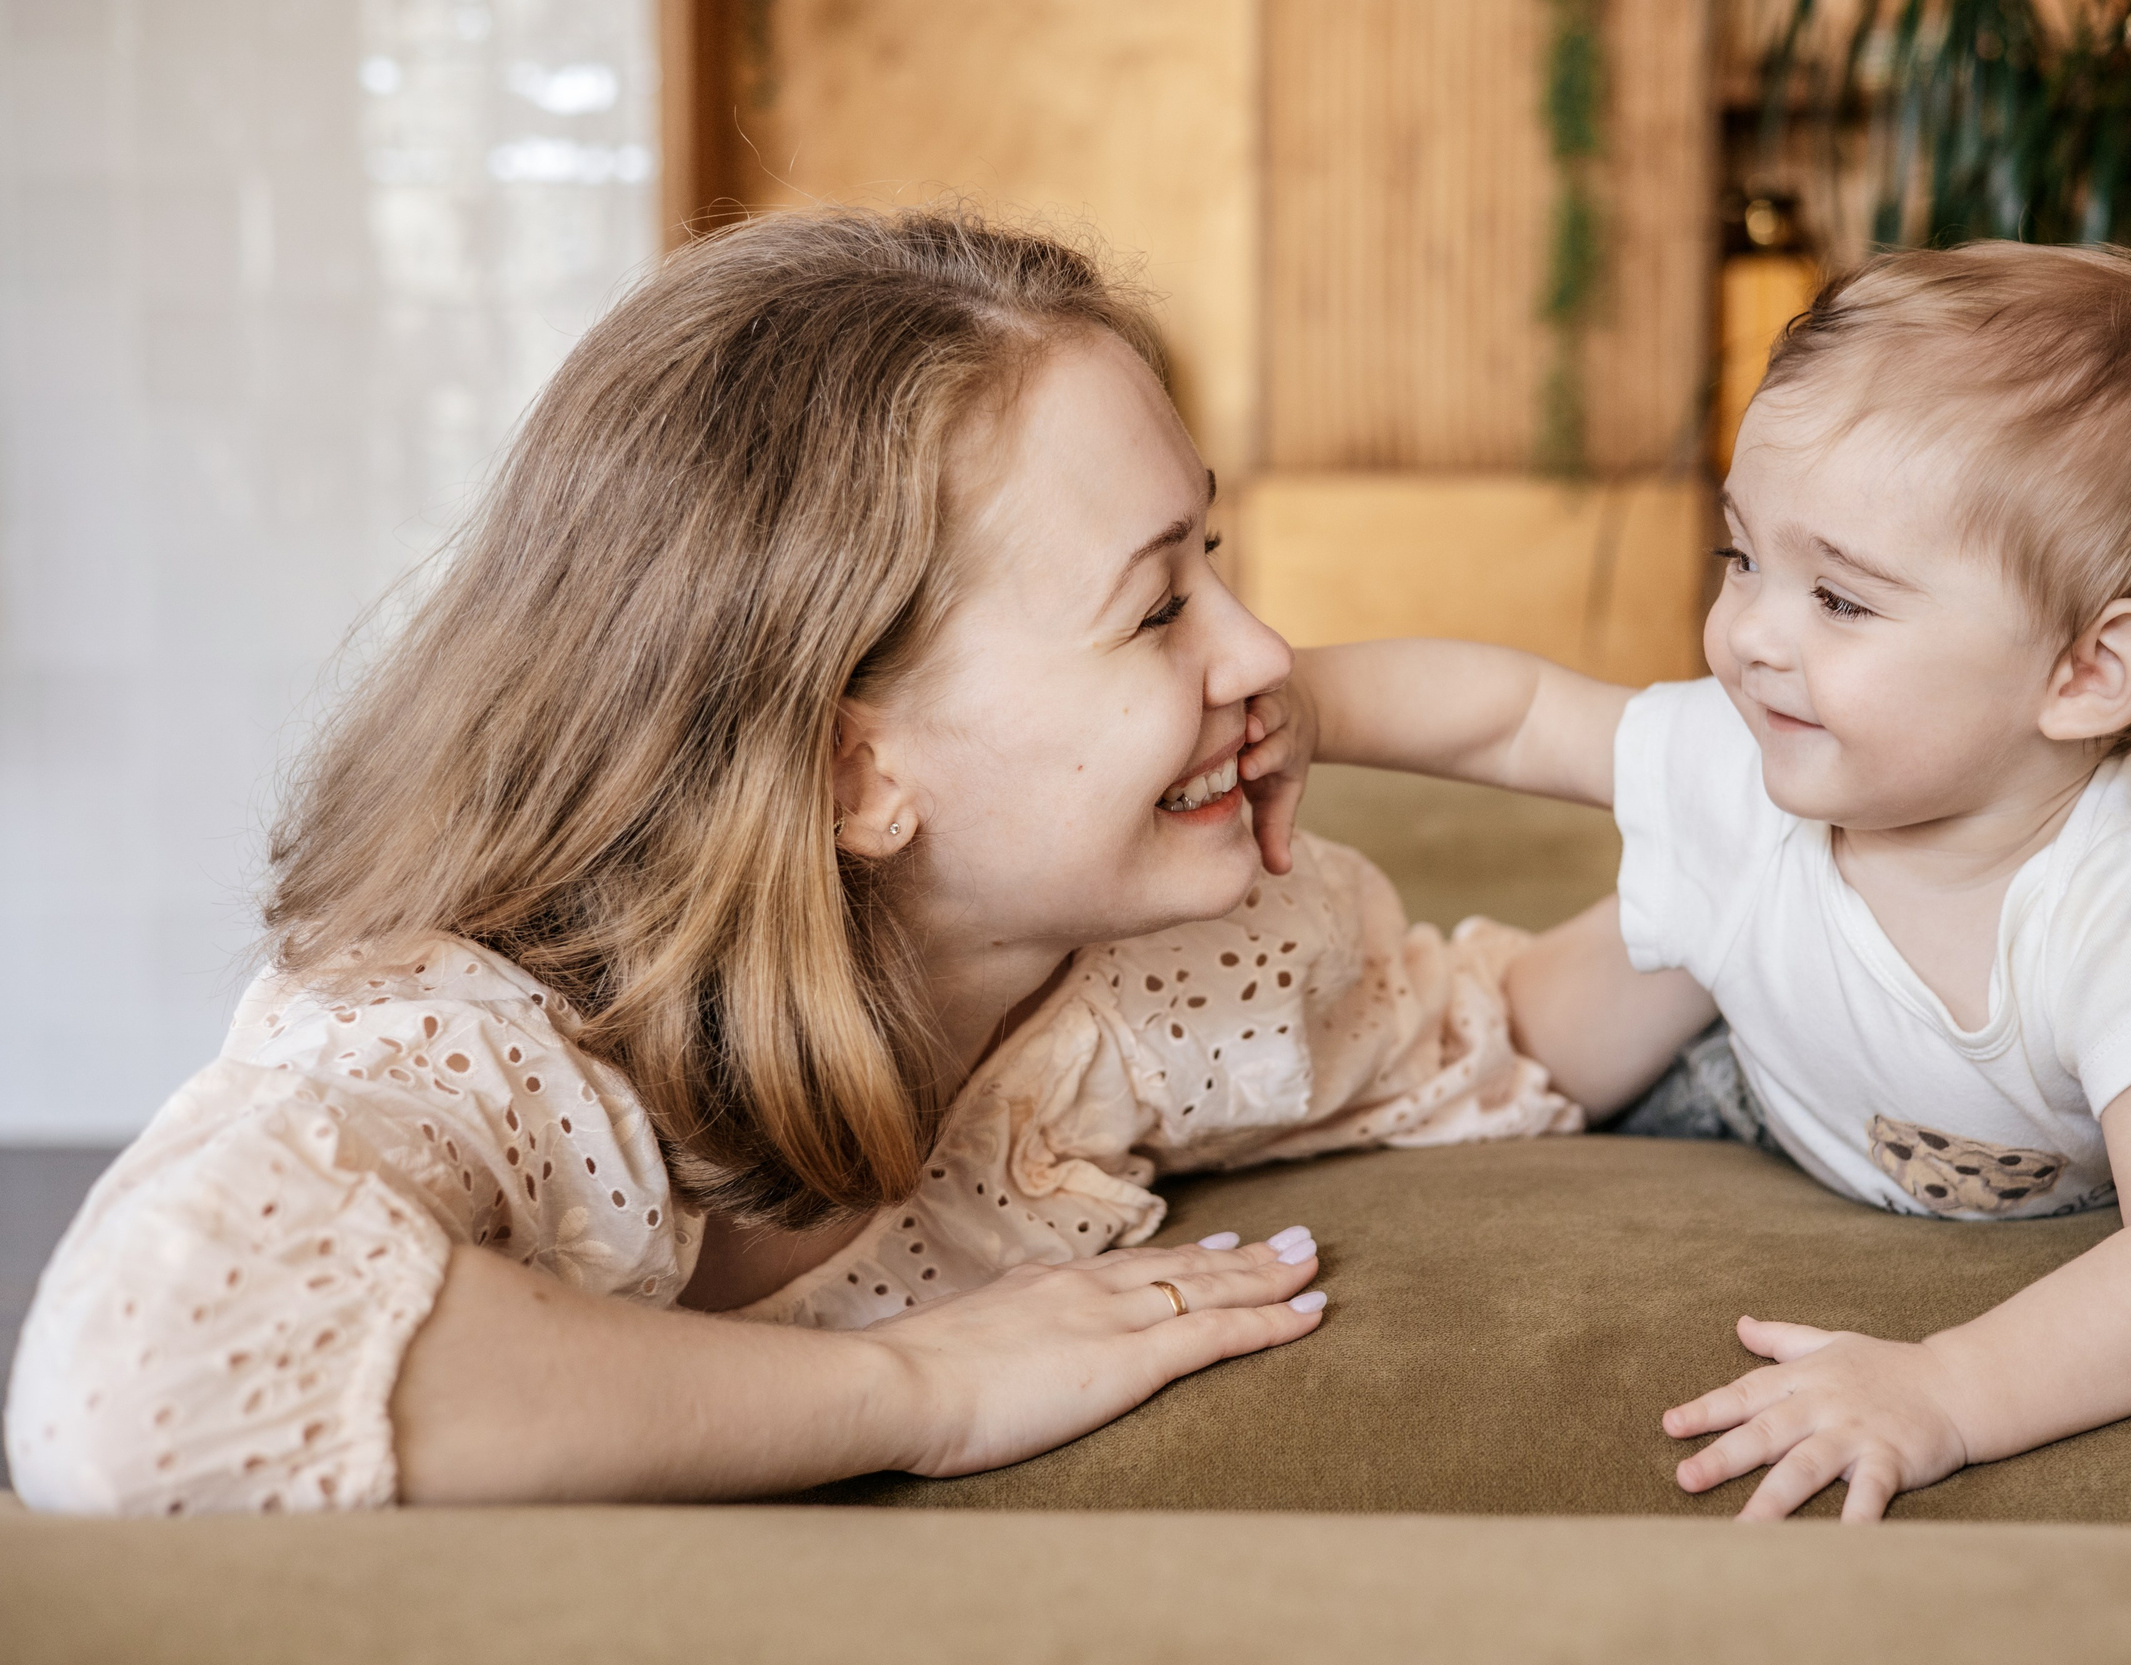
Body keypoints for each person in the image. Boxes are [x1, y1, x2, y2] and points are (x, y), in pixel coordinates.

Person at [2, 210, 1577, 1516]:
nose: (1262, 650)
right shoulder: (474, 1044)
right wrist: (925, 1389)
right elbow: (130, 1382)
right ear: (850, 770)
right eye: (1157, 607)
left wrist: (1728, 800)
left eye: (1214, 561)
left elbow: (1501, 1021)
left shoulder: (1168, 976)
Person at [1244, 242, 2131, 1521]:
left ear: (2085, 671)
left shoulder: (2126, 906)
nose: (1748, 637)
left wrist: (1945, 1390)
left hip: (2075, 1128)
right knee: (1567, 1024)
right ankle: (1692, 933)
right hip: (1783, 1079)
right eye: (1743, 559)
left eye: (1839, 597)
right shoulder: (1753, 757)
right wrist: (1296, 697)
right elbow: (1512, 715)